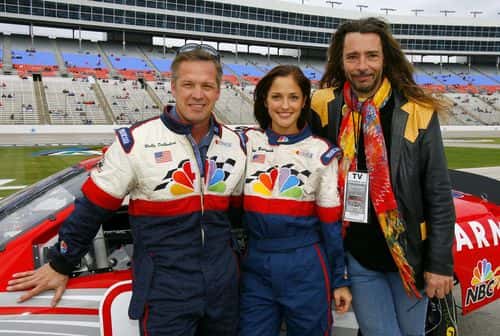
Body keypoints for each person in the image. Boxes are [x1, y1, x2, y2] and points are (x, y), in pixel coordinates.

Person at [7, 43, 246, 336]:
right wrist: (60, 263)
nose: (198, 94)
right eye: (188, 84)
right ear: (173, 87)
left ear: (219, 90)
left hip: (223, 288)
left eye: (207, 85)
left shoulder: (236, 144)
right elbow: (92, 207)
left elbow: (244, 212)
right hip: (166, 290)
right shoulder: (137, 142)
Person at [310, 17, 456, 336]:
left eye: (371, 55)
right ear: (341, 60)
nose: (362, 66)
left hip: (410, 256)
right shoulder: (324, 106)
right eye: (353, 57)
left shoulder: (417, 111)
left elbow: (439, 196)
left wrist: (440, 264)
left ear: (385, 58)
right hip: (359, 257)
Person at [240, 64, 351, 336]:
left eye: (293, 97)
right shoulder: (245, 142)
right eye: (276, 97)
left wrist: (339, 280)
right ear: (264, 101)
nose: (285, 105)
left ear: (304, 102)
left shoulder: (322, 152)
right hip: (255, 265)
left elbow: (331, 227)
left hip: (306, 268)